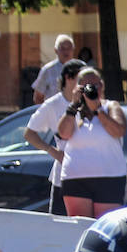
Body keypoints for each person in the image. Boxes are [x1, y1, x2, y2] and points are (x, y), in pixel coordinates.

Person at [56, 67, 127, 218]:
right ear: (78, 88)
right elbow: (64, 133)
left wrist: (98, 110)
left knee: (105, 228)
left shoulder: (110, 106)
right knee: (79, 228)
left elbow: (118, 131)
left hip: (109, 178)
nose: (93, 89)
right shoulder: (72, 110)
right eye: (87, 85)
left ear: (103, 86)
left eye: (97, 85)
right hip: (75, 179)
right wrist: (73, 105)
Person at [23, 58, 87, 216]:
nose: (85, 84)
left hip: (89, 171)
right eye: (81, 79)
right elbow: (29, 133)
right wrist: (53, 152)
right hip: (63, 174)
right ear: (69, 78)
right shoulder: (53, 104)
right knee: (60, 222)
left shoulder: (90, 102)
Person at [32, 34, 74, 104]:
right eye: (62, 48)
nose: (66, 52)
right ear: (56, 50)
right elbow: (38, 97)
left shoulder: (81, 68)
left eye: (69, 48)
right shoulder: (47, 70)